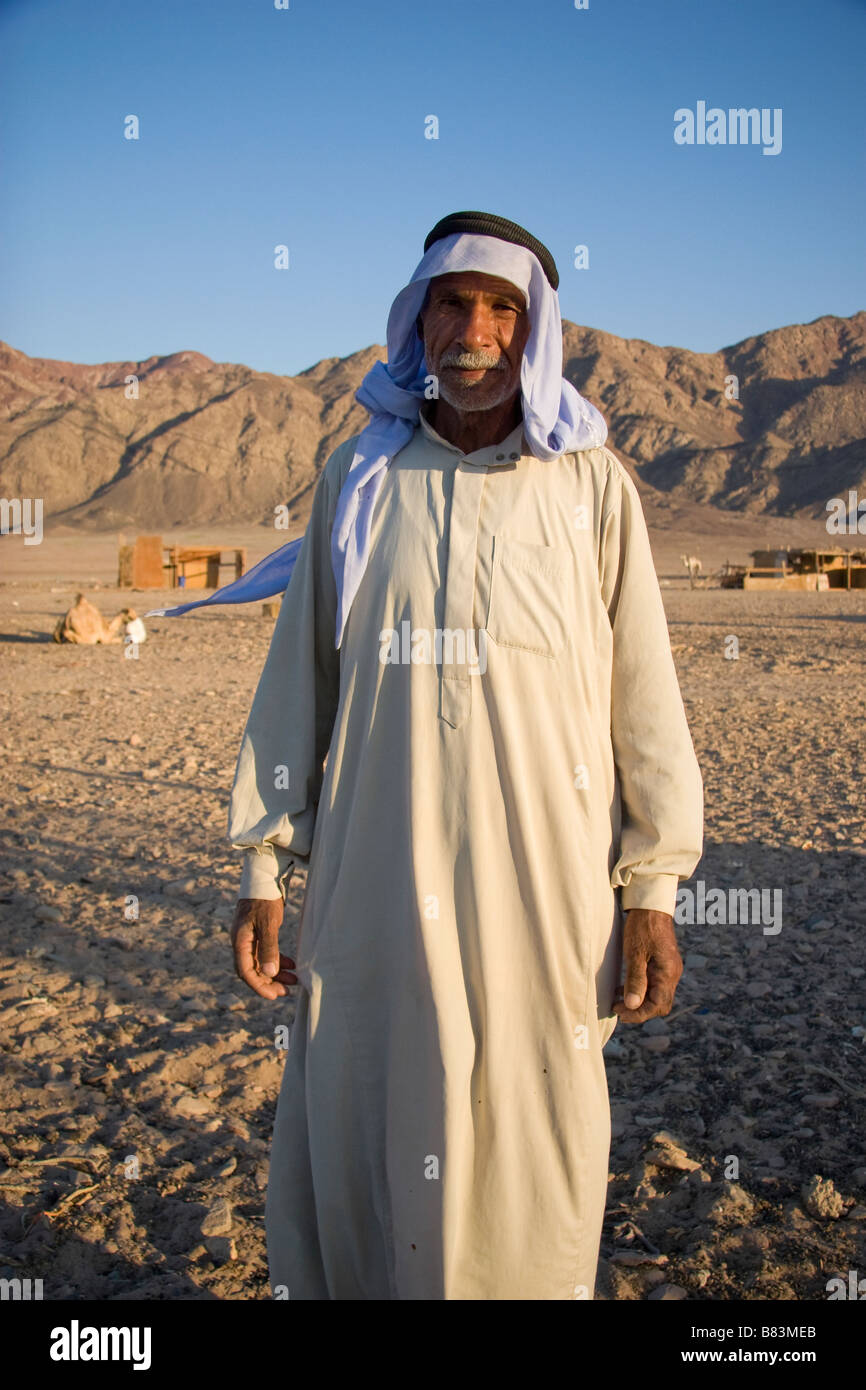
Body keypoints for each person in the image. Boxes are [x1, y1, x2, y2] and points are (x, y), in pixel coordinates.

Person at [227, 210, 704, 1300]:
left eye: (502, 308)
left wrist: (653, 885)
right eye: (454, 302)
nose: (475, 330)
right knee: (365, 1119)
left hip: (545, 892)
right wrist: (263, 865)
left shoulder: (589, 487)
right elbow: (298, 682)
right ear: (418, 318)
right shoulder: (358, 477)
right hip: (372, 888)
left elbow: (644, 697)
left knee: (533, 1130)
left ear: (533, 332)